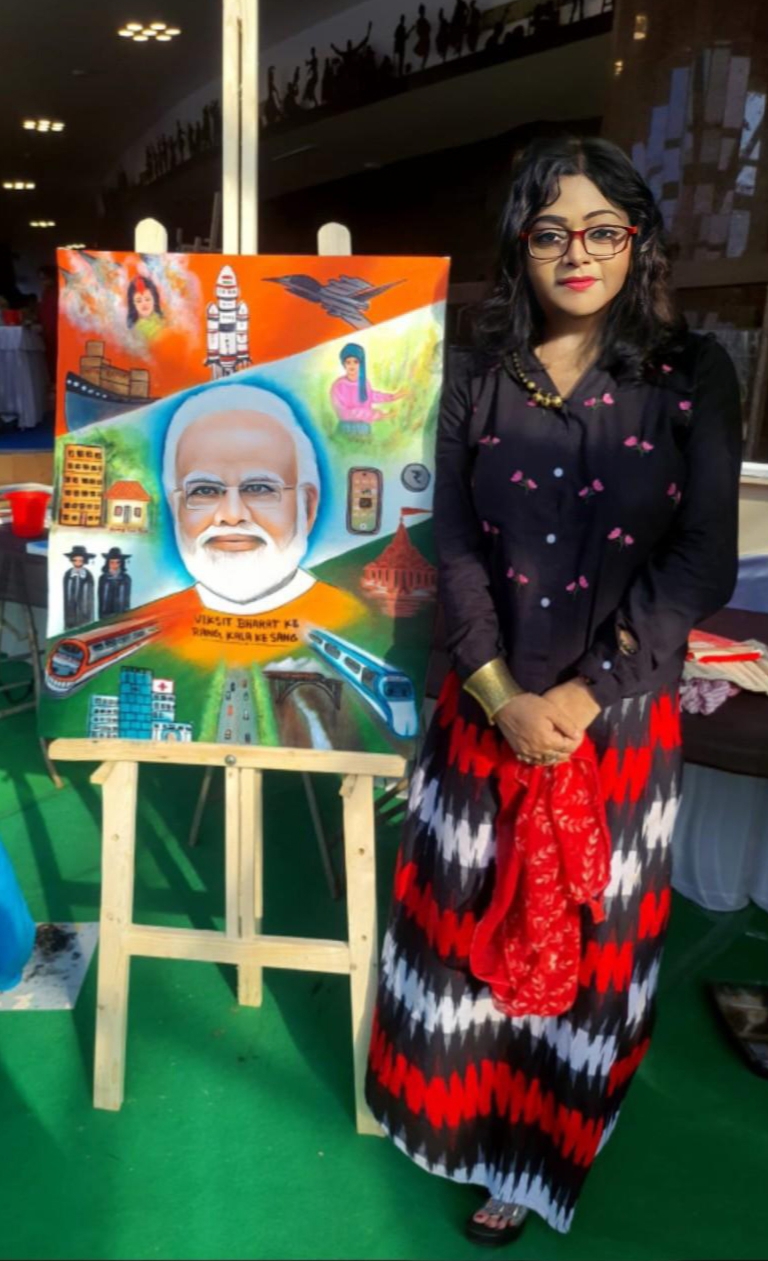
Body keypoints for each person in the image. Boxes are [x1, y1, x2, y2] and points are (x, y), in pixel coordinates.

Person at [365, 136, 742, 1244]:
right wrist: (499, 692)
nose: (577, 253)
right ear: (519, 246)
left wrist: (580, 698)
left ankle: (532, 1166)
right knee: (466, 942)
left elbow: (701, 561)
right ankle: (460, 1133)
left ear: (638, 240)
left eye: (602, 229)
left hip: (612, 732)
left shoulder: (690, 373)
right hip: (484, 716)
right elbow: (456, 542)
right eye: (550, 232)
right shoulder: (479, 370)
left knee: (584, 955)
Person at [156, 383, 363, 634]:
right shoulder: (150, 624)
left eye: (258, 488)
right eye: (204, 491)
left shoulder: (353, 620)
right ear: (176, 508)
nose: (232, 516)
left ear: (307, 507)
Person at [330, 343, 407, 438]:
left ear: (361, 364)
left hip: (365, 429)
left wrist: (392, 397)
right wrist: (376, 415)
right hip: (346, 429)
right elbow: (343, 413)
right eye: (348, 362)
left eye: (355, 362)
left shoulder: (364, 382)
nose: (352, 365)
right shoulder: (338, 385)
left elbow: (371, 395)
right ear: (344, 364)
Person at [63, 546, 96, 629]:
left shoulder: (88, 575)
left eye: (80, 560)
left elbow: (89, 596)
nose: (77, 563)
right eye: (75, 560)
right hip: (70, 611)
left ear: (84, 561)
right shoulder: (68, 574)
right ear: (72, 560)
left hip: (85, 611)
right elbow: (66, 594)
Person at [98, 547, 132, 619]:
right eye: (112, 562)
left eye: (117, 562)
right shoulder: (103, 578)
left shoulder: (126, 579)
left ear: (121, 563)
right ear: (108, 563)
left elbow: (126, 600)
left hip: (122, 615)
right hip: (105, 616)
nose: (114, 565)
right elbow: (101, 600)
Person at [38, 264, 58, 385]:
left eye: (45, 279)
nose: (43, 282)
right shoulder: (46, 293)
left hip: (55, 331)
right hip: (47, 331)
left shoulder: (57, 293)